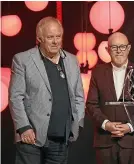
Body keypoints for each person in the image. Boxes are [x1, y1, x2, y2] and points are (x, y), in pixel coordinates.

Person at [9, 16, 85, 164]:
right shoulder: (22, 60)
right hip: (30, 137)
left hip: (61, 139)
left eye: (58, 36)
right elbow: (15, 97)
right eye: (50, 37)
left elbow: (79, 96)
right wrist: (24, 127)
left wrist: (76, 123)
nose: (56, 41)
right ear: (39, 38)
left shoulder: (71, 60)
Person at [86, 32, 134, 164]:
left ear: (128, 48)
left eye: (122, 47)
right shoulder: (98, 72)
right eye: (114, 47)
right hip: (105, 142)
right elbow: (91, 104)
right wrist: (106, 125)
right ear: (107, 50)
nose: (119, 51)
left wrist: (130, 126)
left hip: (132, 142)